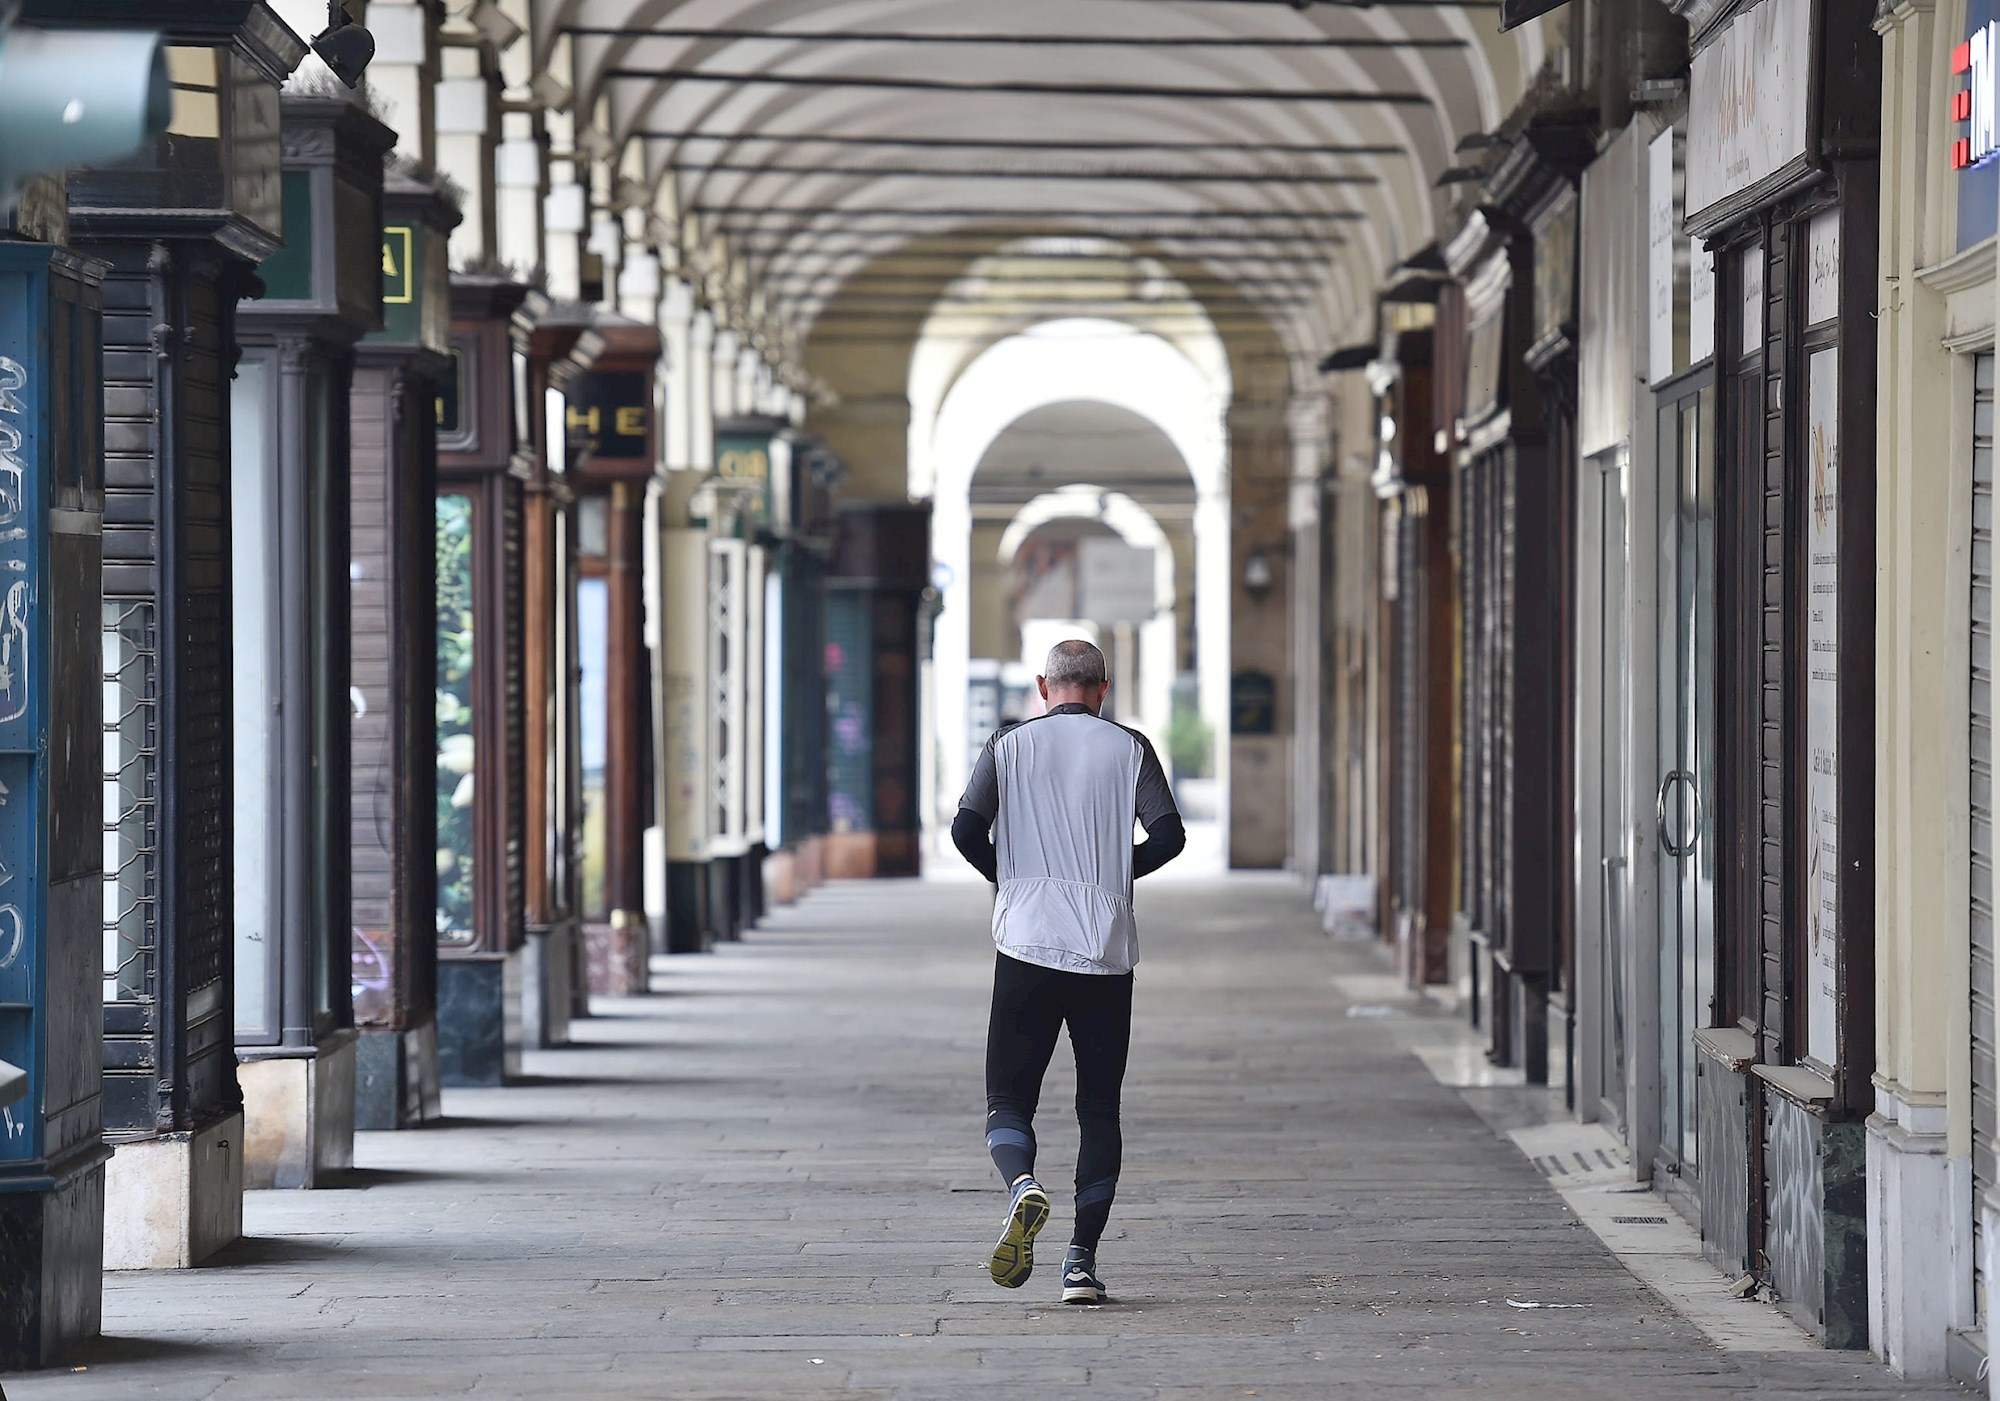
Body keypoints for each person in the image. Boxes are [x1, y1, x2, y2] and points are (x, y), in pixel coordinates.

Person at [951, 639, 1186, 1304]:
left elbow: (966, 829)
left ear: (1043, 686)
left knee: (1009, 1098)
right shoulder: (1130, 748)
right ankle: (1080, 1262)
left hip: (1026, 942)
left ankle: (1024, 1185)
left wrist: (1012, 879)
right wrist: (1115, 873)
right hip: (1105, 949)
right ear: (1102, 689)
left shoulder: (1007, 744)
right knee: (1099, 1107)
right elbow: (1169, 836)